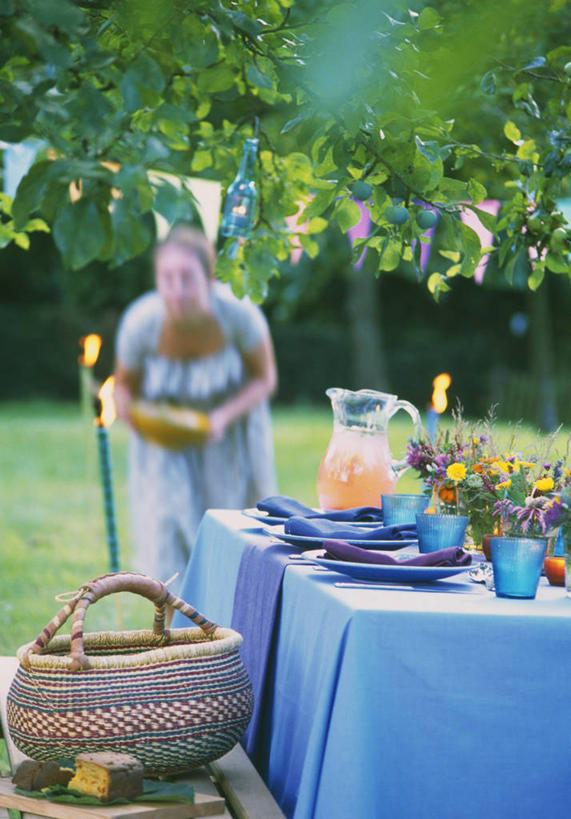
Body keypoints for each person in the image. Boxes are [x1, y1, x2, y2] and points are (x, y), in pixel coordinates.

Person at [114, 225, 277, 588]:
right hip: (163, 452)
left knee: (232, 550)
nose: (177, 290)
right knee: (165, 558)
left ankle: (226, 638)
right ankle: (170, 639)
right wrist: (133, 413)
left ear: (209, 276)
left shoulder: (240, 315)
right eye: (167, 278)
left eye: (187, 278)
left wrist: (220, 417)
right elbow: (123, 388)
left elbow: (264, 379)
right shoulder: (140, 323)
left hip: (231, 444)